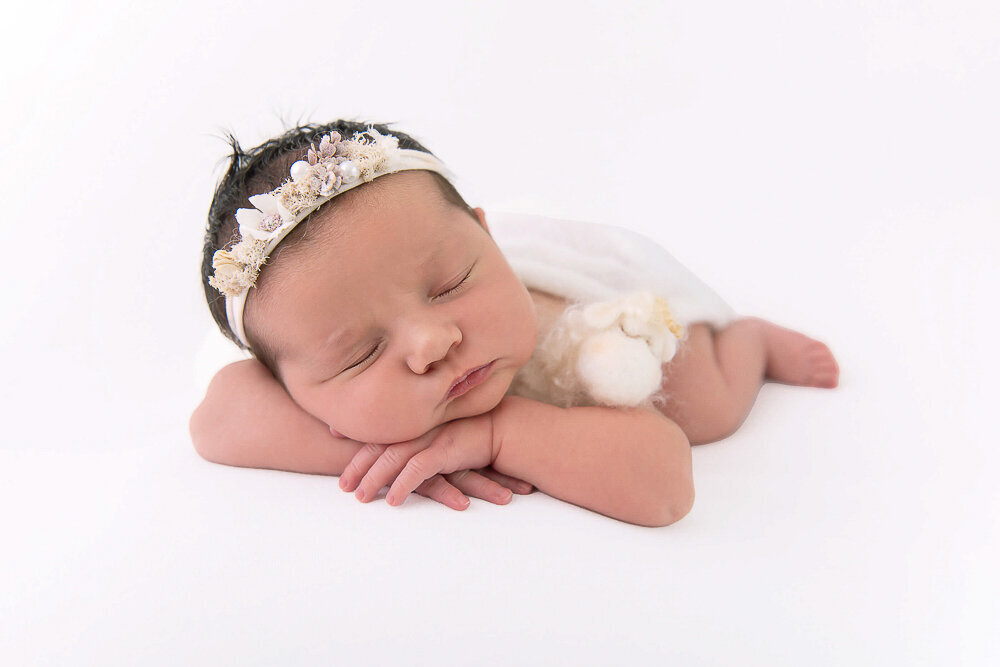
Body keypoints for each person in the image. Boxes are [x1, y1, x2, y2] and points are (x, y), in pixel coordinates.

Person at [189, 120, 839, 527]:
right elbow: (215, 421)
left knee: (704, 407)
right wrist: (402, 449)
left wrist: (499, 433)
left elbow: (666, 487)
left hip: (593, 332)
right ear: (293, 387)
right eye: (360, 352)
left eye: (450, 284)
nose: (432, 340)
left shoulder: (567, 337)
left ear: (483, 235)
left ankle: (748, 343)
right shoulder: (298, 361)